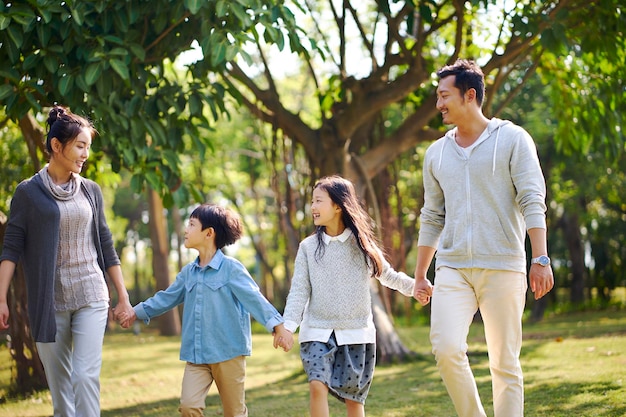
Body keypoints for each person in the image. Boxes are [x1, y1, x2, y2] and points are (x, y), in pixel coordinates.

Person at [412, 59, 554, 417]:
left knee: (504, 363)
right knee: (445, 348)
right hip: (453, 267)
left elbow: (532, 199)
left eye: (445, 96)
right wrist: (420, 274)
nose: (439, 104)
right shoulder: (436, 153)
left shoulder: (512, 139)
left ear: (469, 95)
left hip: (503, 265)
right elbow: (432, 216)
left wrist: (540, 258)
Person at [0, 105, 134, 417]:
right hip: (50, 303)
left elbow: (106, 245)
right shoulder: (28, 193)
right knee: (61, 394)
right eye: (80, 146)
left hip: (91, 294)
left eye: (88, 146)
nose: (86, 154)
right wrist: (2, 298)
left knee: (85, 376)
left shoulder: (90, 191)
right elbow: (11, 249)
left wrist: (123, 296)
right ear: (56, 146)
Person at [117, 203, 291, 417]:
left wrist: (278, 326)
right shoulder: (188, 273)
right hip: (197, 355)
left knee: (234, 412)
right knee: (189, 406)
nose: (185, 230)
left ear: (209, 233)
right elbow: (167, 298)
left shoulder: (231, 269)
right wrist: (136, 312)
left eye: (191, 225)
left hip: (228, 353)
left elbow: (254, 299)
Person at [279, 175, 416, 417]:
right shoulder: (308, 248)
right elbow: (299, 290)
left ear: (338, 206)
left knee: (353, 399)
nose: (312, 207)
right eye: (312, 201)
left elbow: (390, 276)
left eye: (318, 201)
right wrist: (288, 326)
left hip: (356, 333)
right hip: (317, 332)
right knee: (316, 385)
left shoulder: (362, 246)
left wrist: (416, 288)